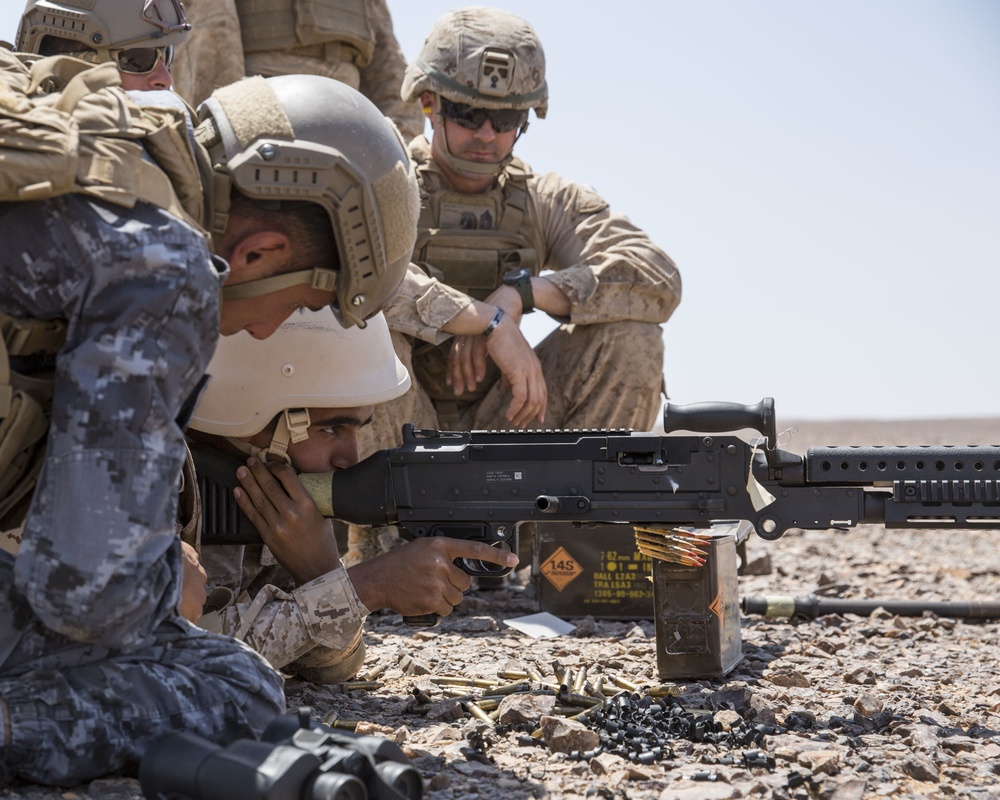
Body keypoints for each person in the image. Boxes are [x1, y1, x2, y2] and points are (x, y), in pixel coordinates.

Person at [0, 2, 420, 783]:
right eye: (299, 307)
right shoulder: (165, 262)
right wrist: (160, 575)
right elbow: (87, 597)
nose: (265, 334)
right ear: (257, 252)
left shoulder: (57, 137)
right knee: (235, 689)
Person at [346, 6, 682, 563]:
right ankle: (383, 555)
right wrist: (481, 320)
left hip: (512, 421)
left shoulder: (546, 199)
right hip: (402, 421)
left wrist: (522, 296)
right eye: (468, 112)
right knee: (359, 331)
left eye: (506, 121)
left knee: (633, 339)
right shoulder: (382, 184)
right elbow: (358, 279)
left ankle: (576, 556)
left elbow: (656, 277)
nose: (486, 135)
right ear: (428, 102)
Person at [185, 308, 518, 684]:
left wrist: (323, 572)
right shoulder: (162, 478)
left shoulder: (277, 491)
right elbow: (179, 656)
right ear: (254, 412)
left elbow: (326, 664)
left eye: (357, 429)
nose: (351, 459)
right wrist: (368, 585)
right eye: (332, 429)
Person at [171, 0, 424, 141]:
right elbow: (209, 31)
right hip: (264, 102)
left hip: (349, 116)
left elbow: (386, 53)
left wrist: (401, 137)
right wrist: (226, 127)